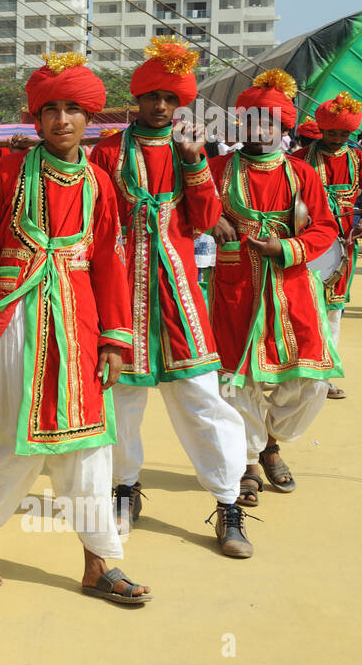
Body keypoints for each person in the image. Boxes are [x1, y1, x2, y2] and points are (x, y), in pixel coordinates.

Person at [0, 52, 152, 605]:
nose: (62, 120)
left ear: (90, 119)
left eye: (73, 110)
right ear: (36, 119)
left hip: (78, 324)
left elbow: (108, 261)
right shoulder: (8, 170)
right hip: (13, 318)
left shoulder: (102, 182)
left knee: (88, 446)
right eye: (51, 110)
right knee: (12, 441)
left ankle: (99, 562)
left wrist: (115, 339)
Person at [88, 37, 252, 557]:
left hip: (180, 294)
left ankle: (228, 503)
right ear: (136, 98)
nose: (160, 106)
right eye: (152, 96)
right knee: (121, 401)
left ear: (181, 104)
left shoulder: (191, 150)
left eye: (170, 99)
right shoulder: (108, 150)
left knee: (203, 398)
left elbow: (205, 221)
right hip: (123, 292)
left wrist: (195, 162)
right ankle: (123, 491)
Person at [208, 69, 341, 502]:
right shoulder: (216, 169)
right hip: (236, 284)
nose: (258, 128)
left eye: (268, 120)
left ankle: (269, 439)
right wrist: (212, 219)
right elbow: (187, 207)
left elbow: (324, 229)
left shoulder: (303, 173)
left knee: (310, 380)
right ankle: (250, 461)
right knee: (235, 381)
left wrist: (286, 247)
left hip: (291, 285)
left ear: (284, 126)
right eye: (250, 119)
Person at [294, 93, 362, 397]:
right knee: (299, 311)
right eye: (331, 133)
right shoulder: (297, 160)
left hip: (343, 248)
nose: (337, 139)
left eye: (343, 134)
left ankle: (323, 376)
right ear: (321, 130)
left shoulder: (361, 160)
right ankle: (293, 371)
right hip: (305, 246)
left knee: (333, 314)